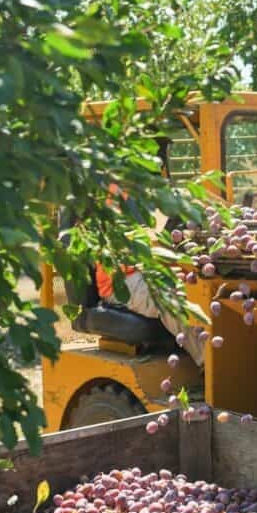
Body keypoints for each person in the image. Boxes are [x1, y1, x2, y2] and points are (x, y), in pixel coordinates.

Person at [92, 137, 205, 367]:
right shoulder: (116, 195)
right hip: (122, 280)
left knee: (205, 290)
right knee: (172, 299)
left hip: (151, 269)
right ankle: (210, 365)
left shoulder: (153, 194)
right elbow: (142, 242)